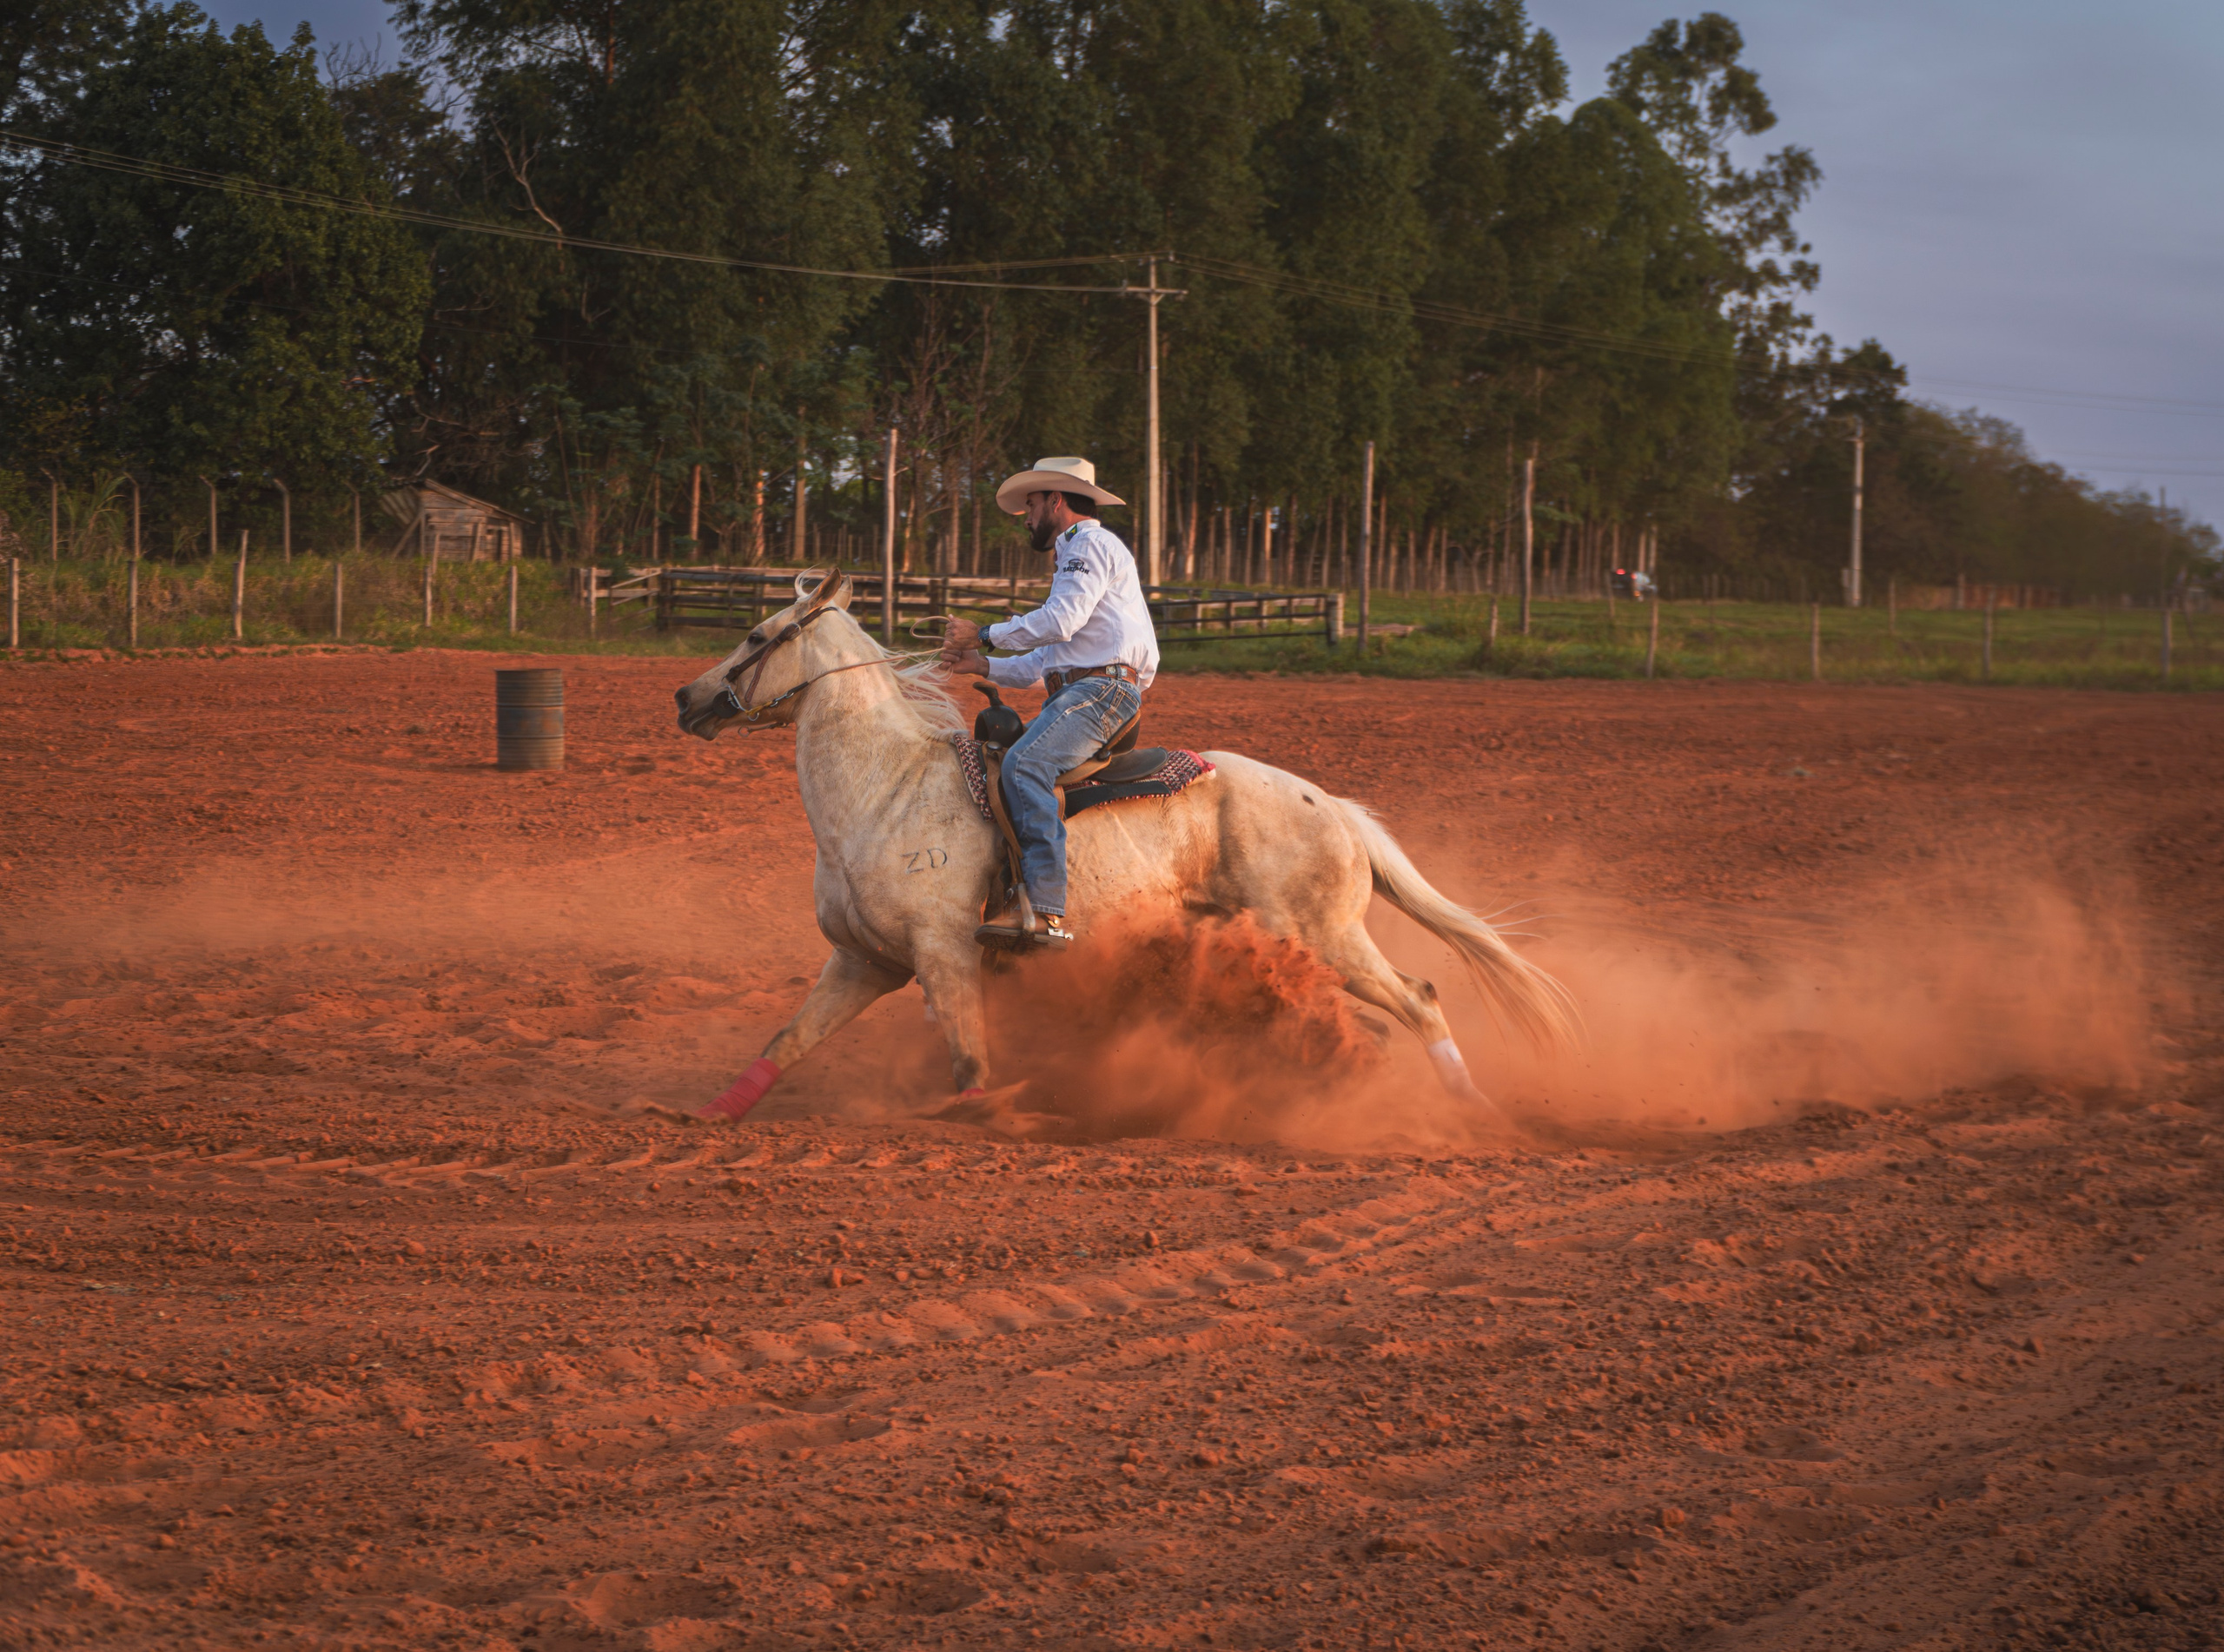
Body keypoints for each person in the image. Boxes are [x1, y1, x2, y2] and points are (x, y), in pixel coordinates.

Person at [940, 456, 1159, 949]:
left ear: (1055, 500)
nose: (1028, 516)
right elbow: (1047, 661)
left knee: (1022, 767)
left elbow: (1060, 621)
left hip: (1100, 692)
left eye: (1032, 504)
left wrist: (985, 633)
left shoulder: (1088, 545)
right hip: (1090, 688)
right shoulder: (1081, 554)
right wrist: (979, 664)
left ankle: (1044, 910)